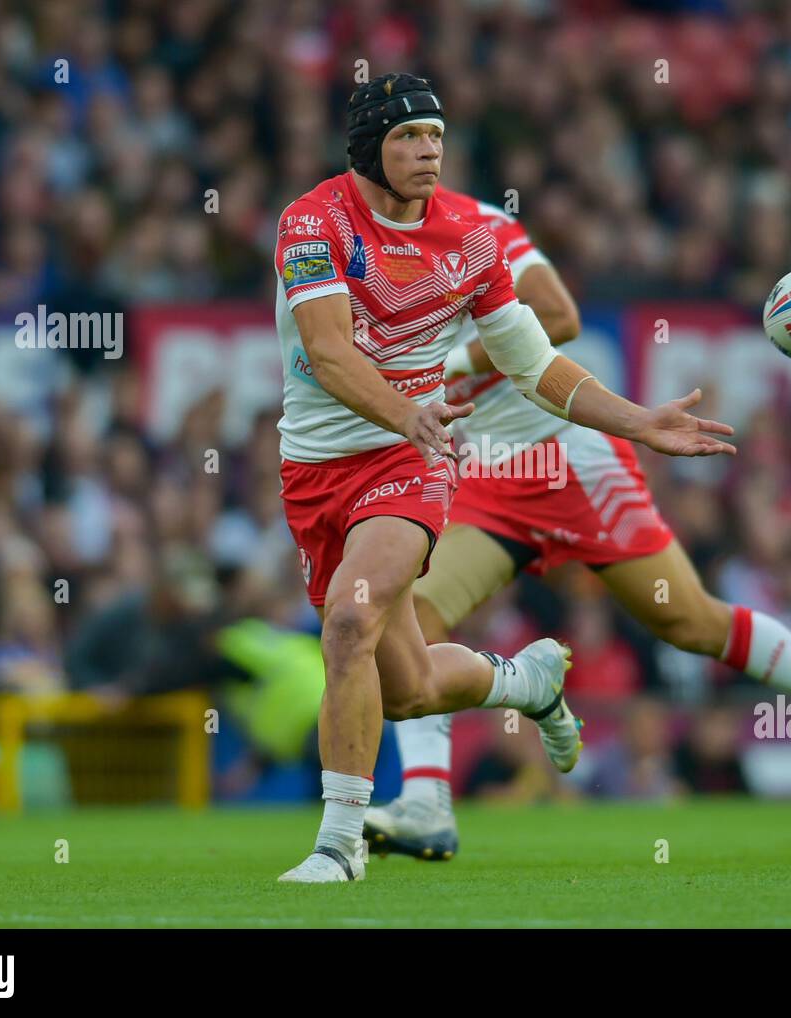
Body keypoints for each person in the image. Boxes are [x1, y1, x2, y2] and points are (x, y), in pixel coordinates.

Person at [362, 183, 791, 861]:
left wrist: (450, 362)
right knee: (413, 613)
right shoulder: (365, 254)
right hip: (490, 472)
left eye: (424, 141)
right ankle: (427, 802)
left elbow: (557, 316)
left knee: (687, 620)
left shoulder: (478, 225)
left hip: (571, 459)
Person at [272, 73, 737, 884]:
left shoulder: (472, 241)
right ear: (368, 148)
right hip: (319, 468)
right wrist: (403, 408)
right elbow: (328, 350)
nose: (428, 152)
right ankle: (524, 682)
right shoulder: (313, 223)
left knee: (349, 623)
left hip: (409, 461)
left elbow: (535, 364)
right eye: (409, 138)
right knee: (409, 688)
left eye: (436, 137)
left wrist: (639, 421)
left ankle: (338, 846)